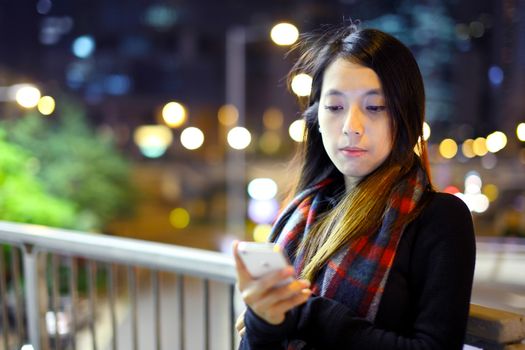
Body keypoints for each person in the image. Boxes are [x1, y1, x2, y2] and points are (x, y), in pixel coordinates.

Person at [233, 24, 476, 350]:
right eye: (335, 107)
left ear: (405, 117)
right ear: (316, 118)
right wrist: (262, 322)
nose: (351, 127)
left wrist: (305, 310)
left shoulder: (438, 218)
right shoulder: (304, 212)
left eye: (375, 107)